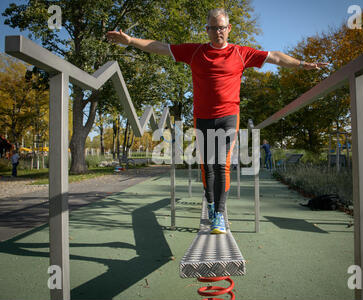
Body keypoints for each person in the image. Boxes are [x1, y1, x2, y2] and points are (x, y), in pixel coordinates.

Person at [106, 8, 327, 234]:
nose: (217, 32)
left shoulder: (241, 53)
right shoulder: (195, 52)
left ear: (228, 28)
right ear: (207, 29)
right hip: (202, 117)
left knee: (222, 164)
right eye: (213, 28)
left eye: (221, 27)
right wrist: (131, 40)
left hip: (229, 116)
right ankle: (211, 206)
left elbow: (275, 56)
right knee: (207, 167)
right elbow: (161, 47)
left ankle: (219, 214)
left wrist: (301, 64)